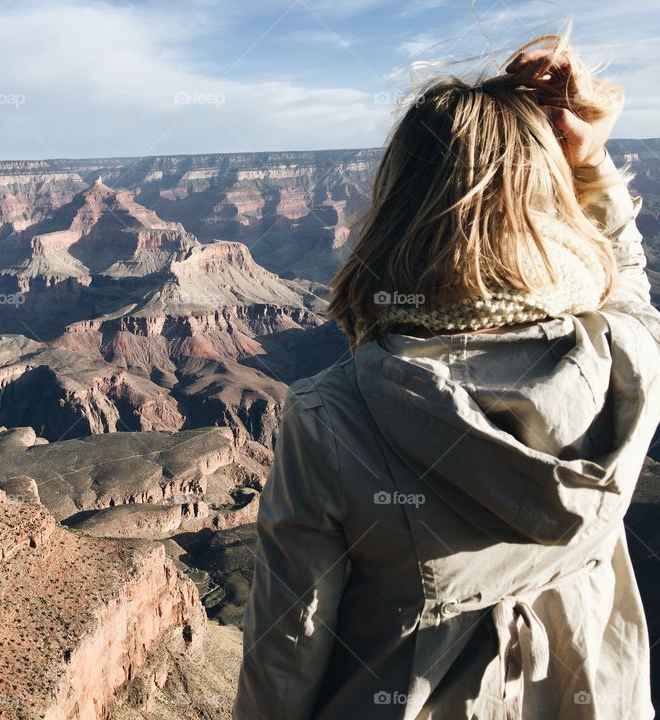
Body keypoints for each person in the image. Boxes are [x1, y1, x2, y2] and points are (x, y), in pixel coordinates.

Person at [234, 32, 660, 720]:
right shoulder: (628, 361)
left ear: (400, 204)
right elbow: (629, 285)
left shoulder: (331, 420)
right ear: (548, 203)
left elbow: (286, 655)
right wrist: (592, 162)